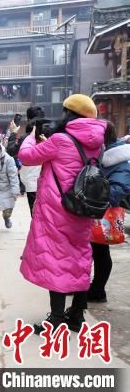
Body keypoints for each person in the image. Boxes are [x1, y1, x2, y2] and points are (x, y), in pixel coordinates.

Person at [18, 94, 106, 334]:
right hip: (82, 208)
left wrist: (32, 138)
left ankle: (56, 318)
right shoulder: (97, 142)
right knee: (80, 259)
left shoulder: (59, 139)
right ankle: (76, 315)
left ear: (68, 113)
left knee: (56, 260)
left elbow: (26, 157)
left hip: (57, 210)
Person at [88, 124, 130, 303]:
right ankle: (85, 285)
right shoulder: (100, 155)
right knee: (91, 250)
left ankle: (98, 290)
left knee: (100, 250)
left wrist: (97, 194)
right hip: (92, 208)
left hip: (103, 211)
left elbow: (119, 189)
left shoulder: (119, 158)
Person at [7, 107, 45, 215]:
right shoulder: (49, 134)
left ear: (28, 120)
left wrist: (13, 133)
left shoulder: (27, 138)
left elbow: (11, 151)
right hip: (48, 177)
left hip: (32, 178)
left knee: (35, 213)